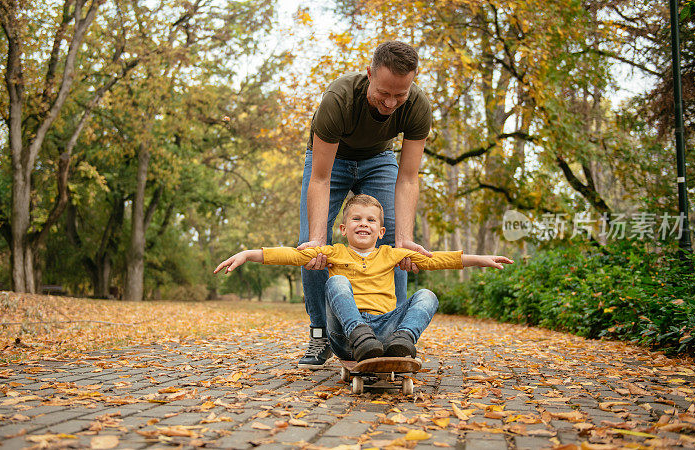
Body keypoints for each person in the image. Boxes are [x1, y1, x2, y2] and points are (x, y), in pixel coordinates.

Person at [215, 194, 513, 362]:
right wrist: (248, 253)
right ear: (343, 228)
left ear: (381, 232)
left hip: (385, 331)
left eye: (371, 220)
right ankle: (360, 336)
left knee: (427, 296)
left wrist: (479, 260)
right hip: (347, 336)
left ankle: (403, 340)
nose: (364, 224)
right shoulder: (332, 252)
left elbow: (438, 259)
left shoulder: (392, 254)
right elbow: (290, 255)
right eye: (356, 219)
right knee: (336, 282)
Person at [297, 40, 433, 369]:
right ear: (370, 73)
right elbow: (320, 178)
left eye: (399, 95)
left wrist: (404, 237)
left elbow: (409, 178)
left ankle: (394, 336)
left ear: (413, 81)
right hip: (331, 161)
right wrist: (317, 237)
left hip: (378, 160)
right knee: (314, 247)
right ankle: (321, 335)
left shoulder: (418, 107)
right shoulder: (339, 99)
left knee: (393, 243)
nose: (390, 102)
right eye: (383, 92)